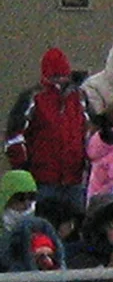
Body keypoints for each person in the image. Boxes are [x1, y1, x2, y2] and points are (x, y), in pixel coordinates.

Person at [8, 47, 89, 224]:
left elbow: (89, 134)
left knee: (74, 228)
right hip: (43, 180)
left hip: (74, 179)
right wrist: (25, 171)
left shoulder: (80, 98)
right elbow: (14, 137)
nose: (60, 80)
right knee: (44, 227)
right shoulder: (33, 98)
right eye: (56, 76)